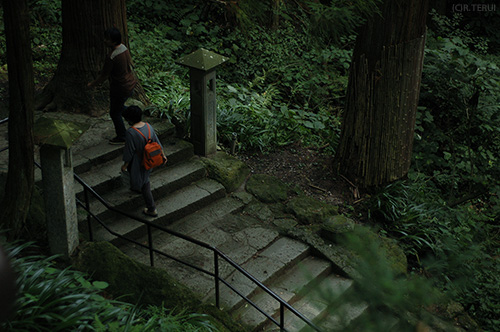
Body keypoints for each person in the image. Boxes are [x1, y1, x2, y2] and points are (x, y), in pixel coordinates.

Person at [88, 27, 137, 144]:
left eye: (107, 39)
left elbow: (104, 75)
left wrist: (92, 84)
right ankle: (135, 118)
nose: (104, 41)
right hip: (130, 84)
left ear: (114, 41)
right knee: (119, 108)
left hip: (120, 88)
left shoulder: (112, 56)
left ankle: (122, 136)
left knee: (114, 113)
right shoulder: (124, 48)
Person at [121, 106, 166, 217]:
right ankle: (136, 187)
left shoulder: (131, 132)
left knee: (145, 183)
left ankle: (151, 209)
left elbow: (129, 151)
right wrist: (163, 156)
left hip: (138, 161)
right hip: (150, 158)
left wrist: (125, 164)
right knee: (144, 178)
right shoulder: (148, 126)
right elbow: (157, 143)